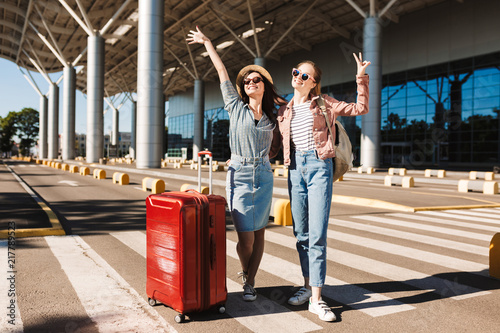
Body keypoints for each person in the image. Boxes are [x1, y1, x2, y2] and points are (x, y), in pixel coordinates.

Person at [187, 26, 286, 302]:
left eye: (256, 80)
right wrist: (207, 42)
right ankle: (246, 271)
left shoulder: (273, 115)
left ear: (264, 85)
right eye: (247, 81)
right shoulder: (235, 106)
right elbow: (221, 73)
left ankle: (250, 283)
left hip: (264, 175)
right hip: (239, 175)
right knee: (246, 239)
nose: (250, 83)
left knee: (260, 233)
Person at [271, 54, 370, 321]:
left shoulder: (325, 103)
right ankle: (306, 286)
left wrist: (360, 77)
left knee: (316, 235)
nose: (297, 77)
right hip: (294, 170)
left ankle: (316, 299)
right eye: (295, 72)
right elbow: (274, 146)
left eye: (304, 75)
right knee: (301, 233)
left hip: (318, 167)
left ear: (313, 83)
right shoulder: (285, 111)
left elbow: (360, 109)